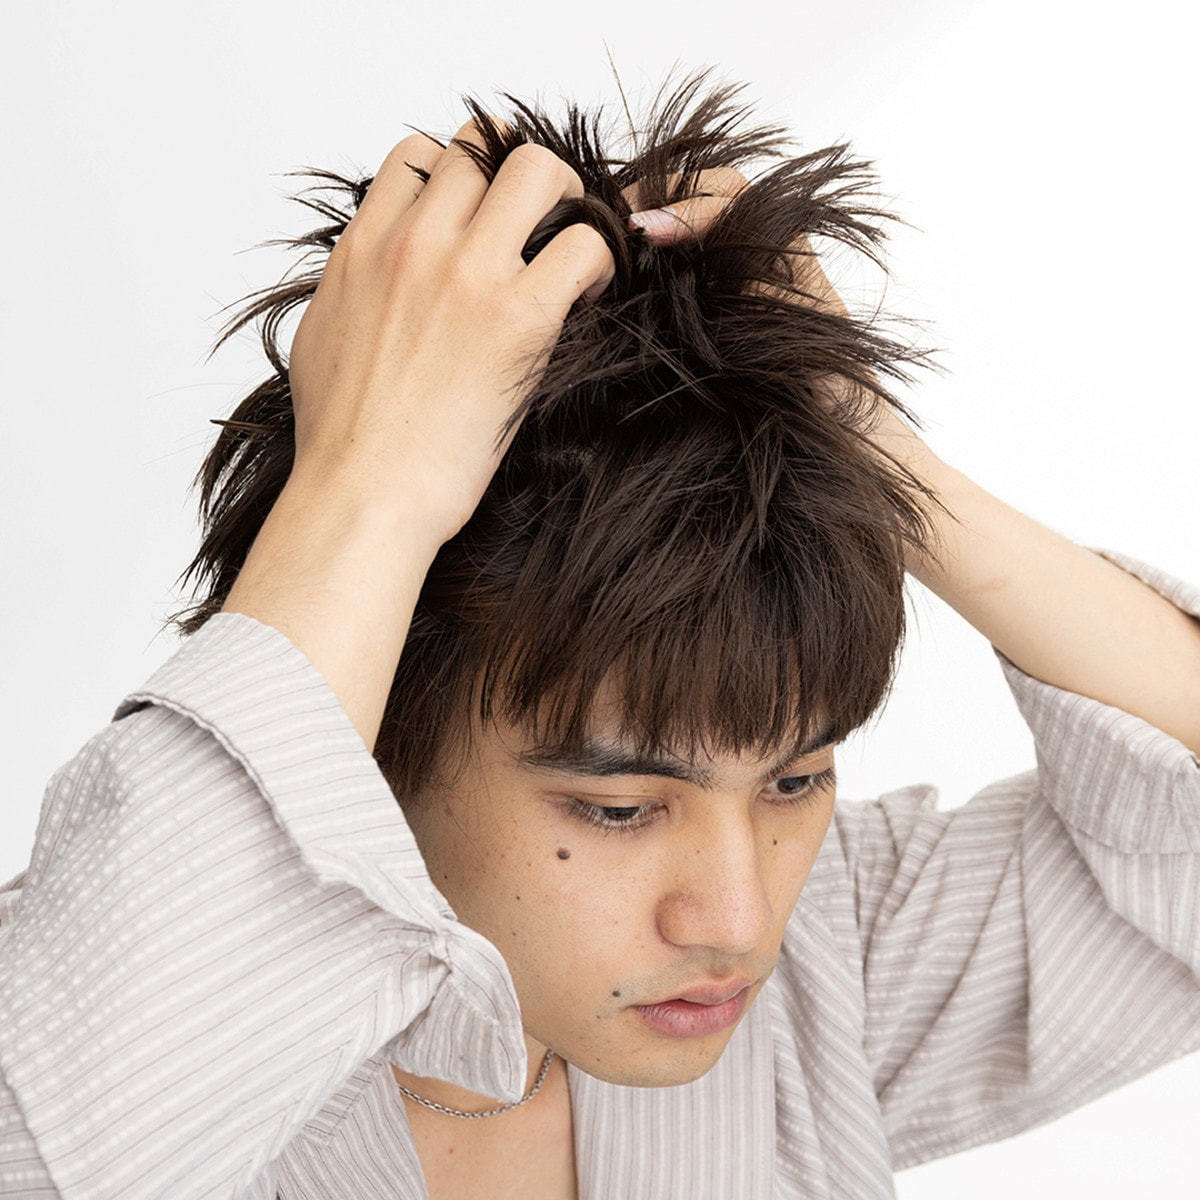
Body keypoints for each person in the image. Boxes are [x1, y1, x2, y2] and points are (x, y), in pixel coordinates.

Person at [1, 67, 1198, 1200]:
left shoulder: (832, 957)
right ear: (373, 750)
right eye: (620, 809)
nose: (737, 920)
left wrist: (874, 455)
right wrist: (364, 495)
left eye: (796, 781)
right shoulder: (125, 1029)